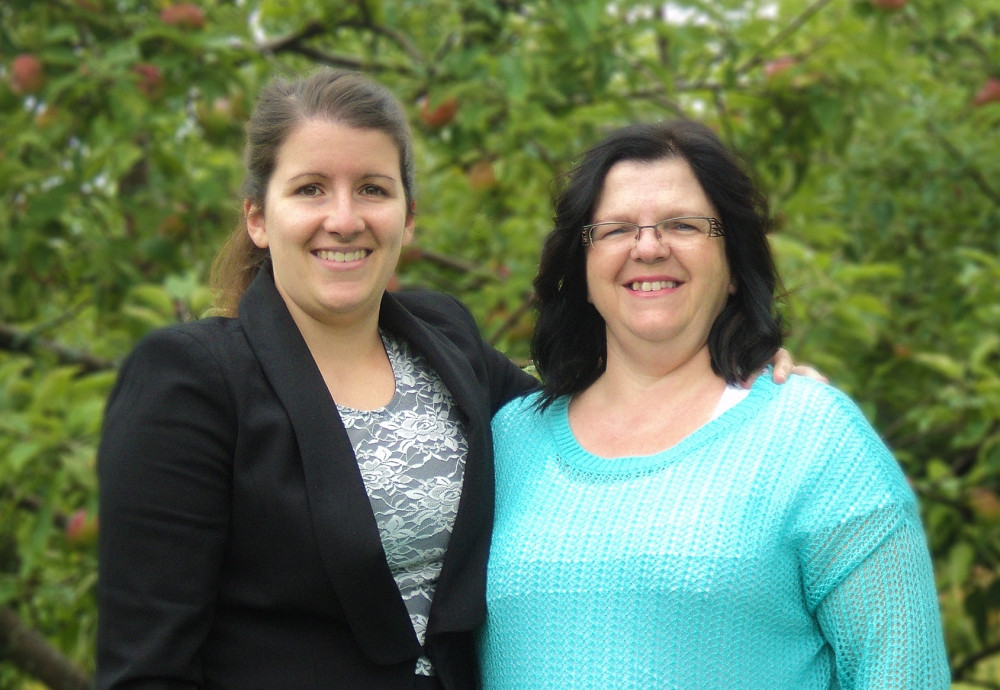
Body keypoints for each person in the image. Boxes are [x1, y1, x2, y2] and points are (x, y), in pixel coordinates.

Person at [96, 69, 814, 689]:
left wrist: (738, 374)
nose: (343, 219)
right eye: (311, 189)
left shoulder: (448, 343)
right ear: (259, 217)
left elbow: (597, 416)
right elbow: (148, 667)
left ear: (407, 217)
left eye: (372, 189)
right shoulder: (189, 380)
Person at [478, 121, 950, 688]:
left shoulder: (813, 437)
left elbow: (903, 674)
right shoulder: (507, 441)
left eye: (682, 225)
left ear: (732, 265)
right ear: (580, 267)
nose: (648, 247)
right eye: (615, 229)